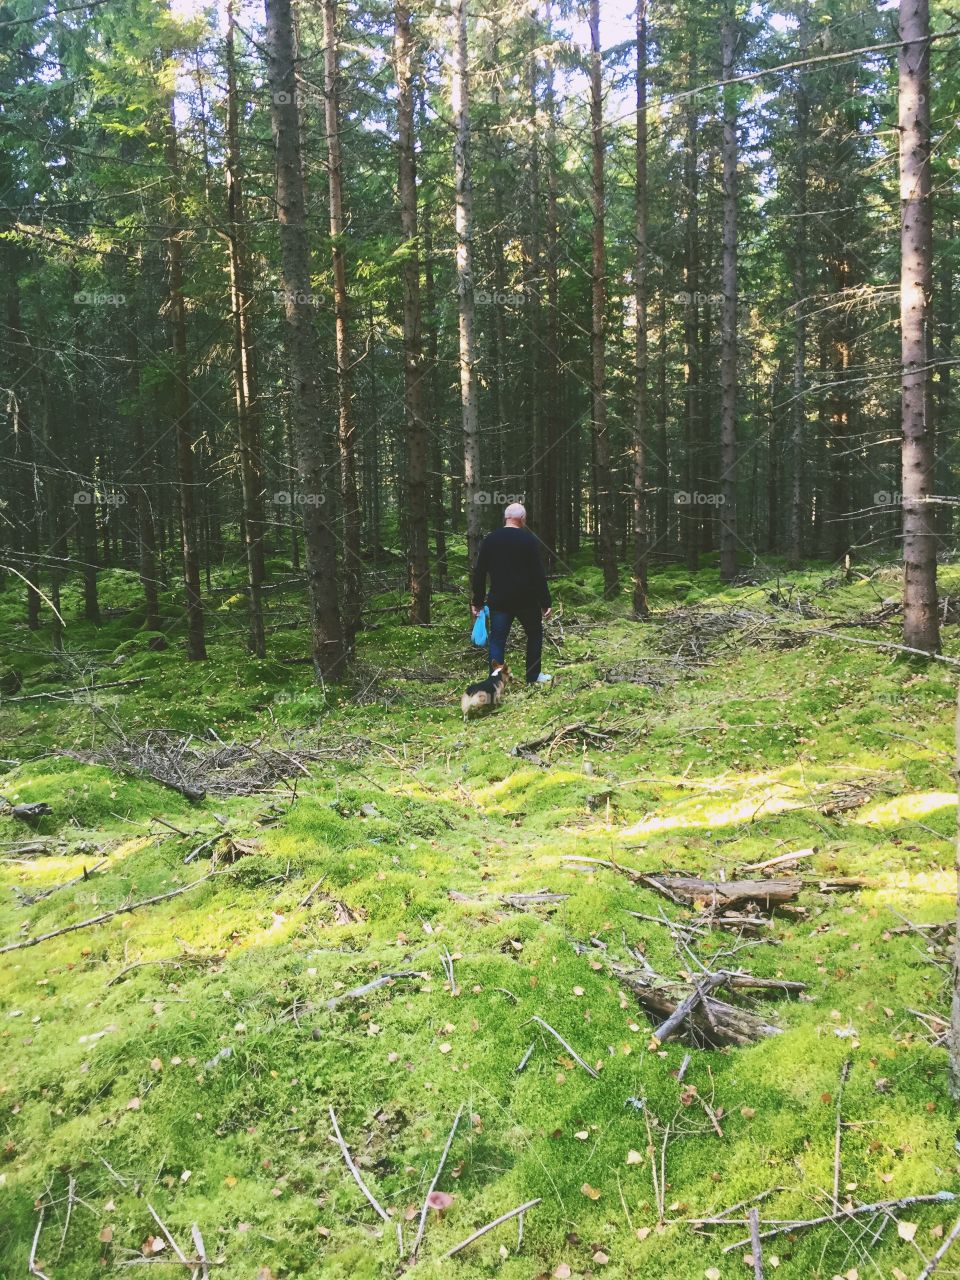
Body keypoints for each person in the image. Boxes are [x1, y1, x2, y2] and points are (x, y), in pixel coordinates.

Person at [470, 502, 552, 685]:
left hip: (499, 601)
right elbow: (538, 574)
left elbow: (480, 572)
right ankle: (533, 676)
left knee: (497, 640)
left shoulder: (491, 540)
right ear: (522, 519)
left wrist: (477, 601)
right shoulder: (528, 540)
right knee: (534, 634)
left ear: (506, 518)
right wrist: (545, 602)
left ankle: (496, 681)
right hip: (527, 601)